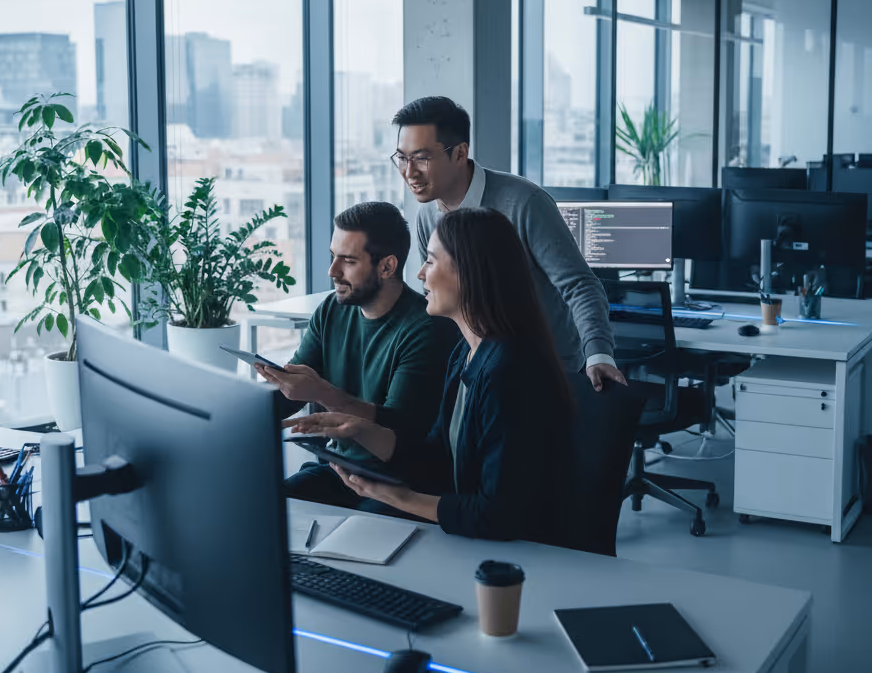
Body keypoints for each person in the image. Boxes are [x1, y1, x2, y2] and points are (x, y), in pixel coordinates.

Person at [285, 207, 571, 546]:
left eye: (431, 262)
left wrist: (396, 497)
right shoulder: (466, 353)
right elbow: (435, 456)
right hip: (467, 530)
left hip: (513, 551)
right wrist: (362, 430)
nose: (420, 273)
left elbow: (497, 516)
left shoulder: (509, 372)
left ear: (470, 273)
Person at [391, 96, 625, 393]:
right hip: (478, 370)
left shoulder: (525, 203)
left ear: (460, 153)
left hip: (547, 370)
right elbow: (440, 296)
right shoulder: (427, 215)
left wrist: (598, 353)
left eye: (422, 158)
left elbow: (579, 285)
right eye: (402, 158)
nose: (409, 172)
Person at [258, 201, 459, 509]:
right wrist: (234, 409)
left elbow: (397, 432)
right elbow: (293, 390)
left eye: (348, 261)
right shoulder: (331, 309)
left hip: (397, 485)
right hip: (338, 469)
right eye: (333, 256)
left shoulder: (427, 328)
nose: (332, 271)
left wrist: (323, 393)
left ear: (387, 267)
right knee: (264, 507)